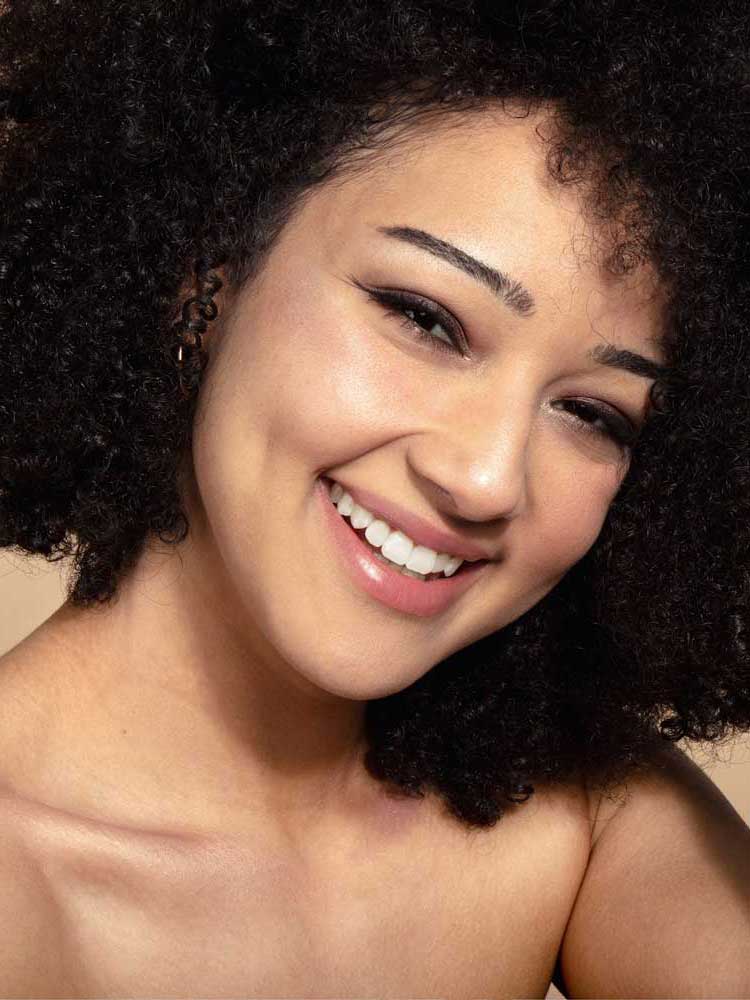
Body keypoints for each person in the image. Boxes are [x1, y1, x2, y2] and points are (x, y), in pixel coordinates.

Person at [0, 1, 748, 996]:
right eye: (425, 318)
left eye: (594, 414)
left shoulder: (581, 829)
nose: (487, 476)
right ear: (206, 264)